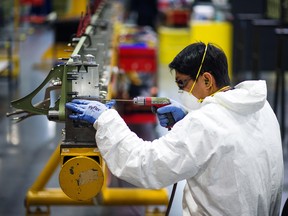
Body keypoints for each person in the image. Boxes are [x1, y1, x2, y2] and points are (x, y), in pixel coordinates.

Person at [65, 42, 284, 216]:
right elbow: (228, 142)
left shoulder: (204, 124)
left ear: (207, 80)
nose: (182, 91)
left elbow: (145, 164)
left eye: (183, 83)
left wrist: (105, 119)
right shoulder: (261, 106)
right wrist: (188, 119)